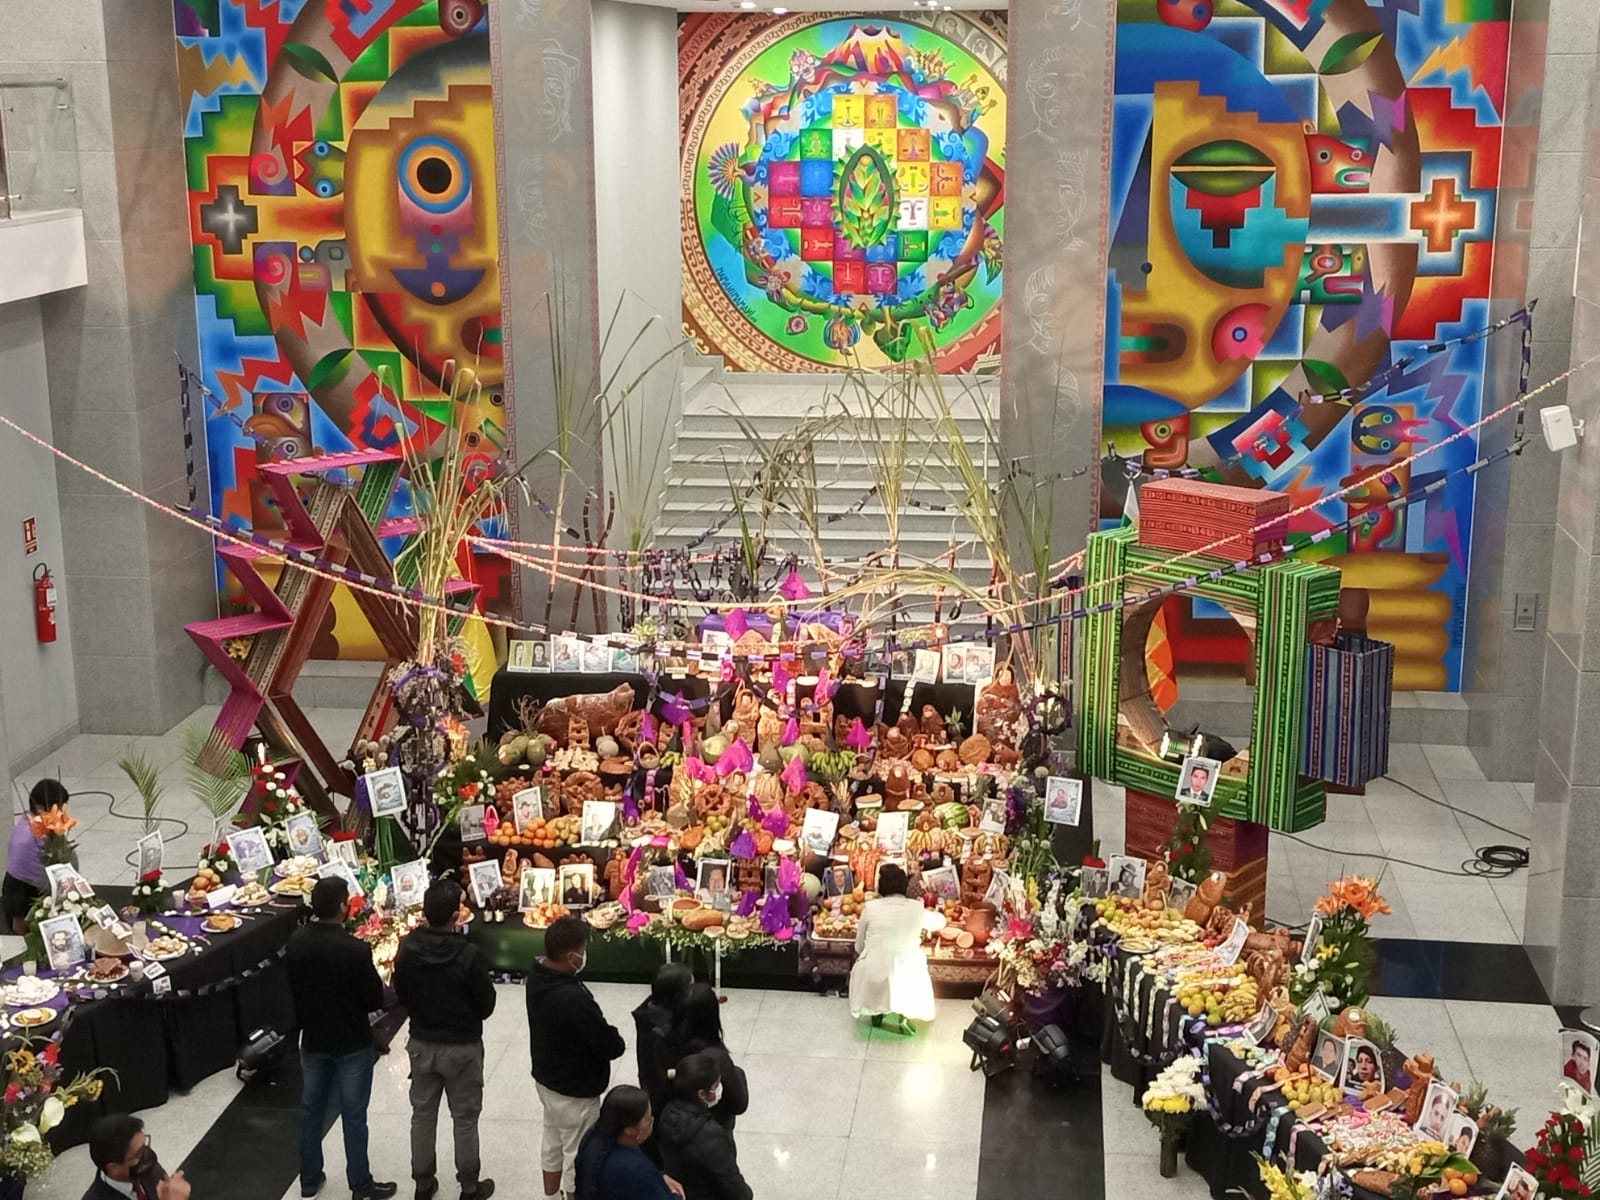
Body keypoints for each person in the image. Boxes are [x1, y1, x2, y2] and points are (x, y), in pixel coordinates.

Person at [285, 877, 396, 1200]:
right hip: (352, 1042)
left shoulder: (296, 942)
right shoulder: (355, 950)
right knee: (353, 1116)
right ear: (342, 908)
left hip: (313, 1039)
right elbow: (374, 999)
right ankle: (360, 1185)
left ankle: (309, 1179)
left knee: (311, 1110)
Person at [392, 880, 498, 1200]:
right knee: (464, 1119)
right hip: (462, 1047)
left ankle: (423, 1184)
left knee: (422, 1116)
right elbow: (486, 1005)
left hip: (422, 1044)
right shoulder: (469, 954)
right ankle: (469, 1186)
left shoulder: (407, 947)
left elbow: (401, 993)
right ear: (455, 916)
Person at [526, 916, 627, 1198]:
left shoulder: (537, 975)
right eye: (583, 950)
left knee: (552, 1141)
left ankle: (550, 1195)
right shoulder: (572, 998)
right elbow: (607, 1043)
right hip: (575, 1090)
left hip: (547, 1079)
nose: (584, 955)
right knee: (578, 1153)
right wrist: (615, 1038)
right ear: (571, 956)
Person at [848, 863, 935, 1036]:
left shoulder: (870, 908)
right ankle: (904, 1015)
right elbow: (935, 923)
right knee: (914, 965)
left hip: (873, 972)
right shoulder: (917, 908)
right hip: (909, 972)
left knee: (871, 966)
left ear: (881, 886)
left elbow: (858, 946)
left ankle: (877, 1011)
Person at [655, 1053, 752, 1200]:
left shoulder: (665, 1110)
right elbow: (732, 1184)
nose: (720, 1089)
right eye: (716, 1085)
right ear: (702, 1094)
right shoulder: (709, 1135)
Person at [663, 983, 749, 1131]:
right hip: (711, 1129)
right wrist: (737, 1073)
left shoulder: (660, 1037)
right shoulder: (714, 1058)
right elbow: (739, 1104)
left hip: (674, 1122)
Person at [573, 1085, 683, 1200]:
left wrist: (659, 1178)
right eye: (648, 1120)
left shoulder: (591, 1138)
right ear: (630, 1130)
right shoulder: (636, 1169)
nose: (652, 1121)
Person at [4, 779, 69, 933]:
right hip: (22, 892)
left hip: (30, 887)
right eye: (58, 809)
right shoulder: (29, 835)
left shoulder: (33, 821)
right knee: (26, 935)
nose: (62, 815)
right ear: (40, 808)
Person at [633, 963, 693, 1120]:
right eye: (690, 987)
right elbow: (657, 1078)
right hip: (666, 1103)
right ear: (678, 995)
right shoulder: (655, 1030)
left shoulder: (667, 1013)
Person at [83, 1114, 189, 1200]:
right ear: (114, 1168)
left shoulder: (146, 1166)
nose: (147, 1155)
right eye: (139, 1154)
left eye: (145, 1145)